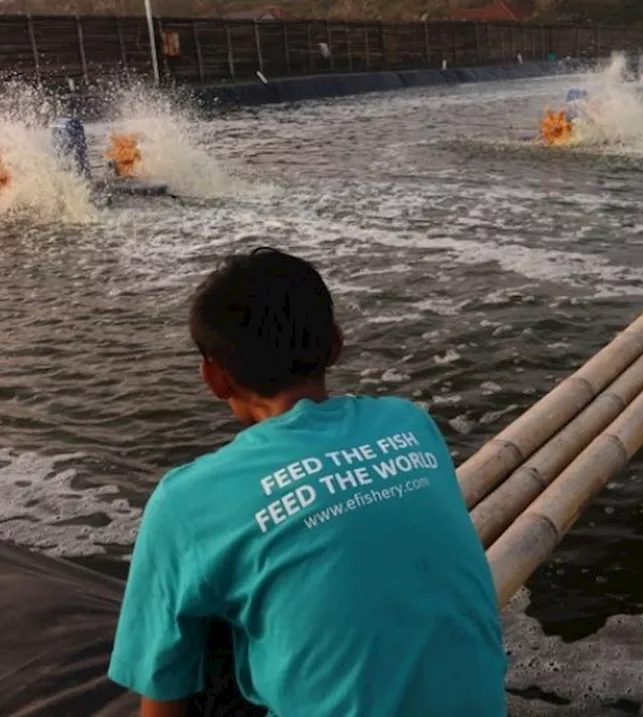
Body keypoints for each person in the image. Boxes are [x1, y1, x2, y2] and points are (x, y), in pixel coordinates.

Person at [108, 247, 507, 717]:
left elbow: (162, 699)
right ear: (336, 343)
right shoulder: (410, 423)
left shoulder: (185, 502)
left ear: (213, 377)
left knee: (206, 634)